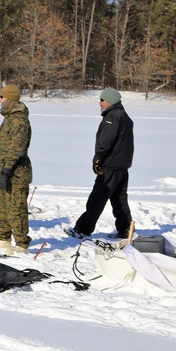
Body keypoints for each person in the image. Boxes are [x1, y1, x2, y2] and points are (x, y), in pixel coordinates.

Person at [69, 88, 134, 239]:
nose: (100, 102)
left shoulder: (112, 117)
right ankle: (126, 229)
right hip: (122, 165)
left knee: (97, 198)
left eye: (102, 100)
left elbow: (105, 142)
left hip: (111, 165)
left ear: (109, 101)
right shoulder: (124, 116)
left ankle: (82, 229)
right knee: (119, 199)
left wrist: (98, 159)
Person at [0, 84, 32, 255]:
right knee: (1, 208)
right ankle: (3, 239)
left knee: (16, 209)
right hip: (4, 172)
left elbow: (17, 148)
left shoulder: (19, 120)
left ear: (9, 99)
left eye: (1, 97)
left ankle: (21, 244)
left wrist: (6, 170)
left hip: (15, 174)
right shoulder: (9, 117)